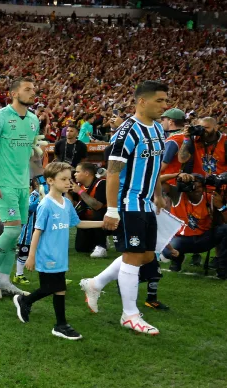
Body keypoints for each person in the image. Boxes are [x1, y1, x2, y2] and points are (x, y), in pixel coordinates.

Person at [80, 81, 170, 336]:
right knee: (133, 255)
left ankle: (95, 283)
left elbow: (154, 167)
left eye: (165, 101)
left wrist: (158, 194)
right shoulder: (126, 132)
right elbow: (112, 174)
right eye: (160, 101)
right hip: (129, 203)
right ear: (142, 101)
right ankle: (129, 314)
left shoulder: (159, 130)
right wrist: (111, 209)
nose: (165, 106)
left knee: (147, 256)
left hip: (146, 203)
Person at [14, 162, 105, 340]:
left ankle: (59, 323)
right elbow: (37, 231)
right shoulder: (45, 205)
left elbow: (78, 223)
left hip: (61, 255)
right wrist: (31, 256)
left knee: (58, 289)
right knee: (53, 287)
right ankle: (28, 303)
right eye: (63, 179)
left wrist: (102, 223)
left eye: (69, 179)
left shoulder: (67, 203)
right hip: (47, 255)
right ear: (50, 181)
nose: (68, 182)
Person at [0, 78, 41, 300]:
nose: (33, 93)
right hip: (2, 182)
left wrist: (39, 179)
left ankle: (5, 280)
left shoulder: (34, 120)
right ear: (14, 93)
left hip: (22, 184)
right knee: (13, 230)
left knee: (15, 233)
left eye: (34, 89)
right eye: (28, 89)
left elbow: (31, 154)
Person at [164, 173, 227, 279]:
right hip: (182, 240)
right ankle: (177, 259)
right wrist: (179, 174)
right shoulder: (178, 195)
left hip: (204, 239)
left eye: (200, 187)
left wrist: (221, 207)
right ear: (187, 187)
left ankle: (222, 268)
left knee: (225, 229)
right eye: (194, 187)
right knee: (166, 251)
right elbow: (158, 181)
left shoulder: (211, 198)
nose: (197, 190)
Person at [70, 162, 108, 257]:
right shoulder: (79, 185)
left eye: (78, 172)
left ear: (86, 173)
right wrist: (67, 192)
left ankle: (101, 245)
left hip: (107, 220)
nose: (75, 174)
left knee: (97, 213)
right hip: (87, 219)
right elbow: (73, 206)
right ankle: (96, 240)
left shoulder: (101, 183)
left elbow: (97, 205)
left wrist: (80, 191)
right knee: (81, 248)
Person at [13, 180, 42, 286]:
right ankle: (18, 275)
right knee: (24, 253)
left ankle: (55, 276)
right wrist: (39, 200)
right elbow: (28, 209)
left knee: (44, 253)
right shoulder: (33, 196)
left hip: (36, 231)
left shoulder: (37, 195)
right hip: (28, 232)